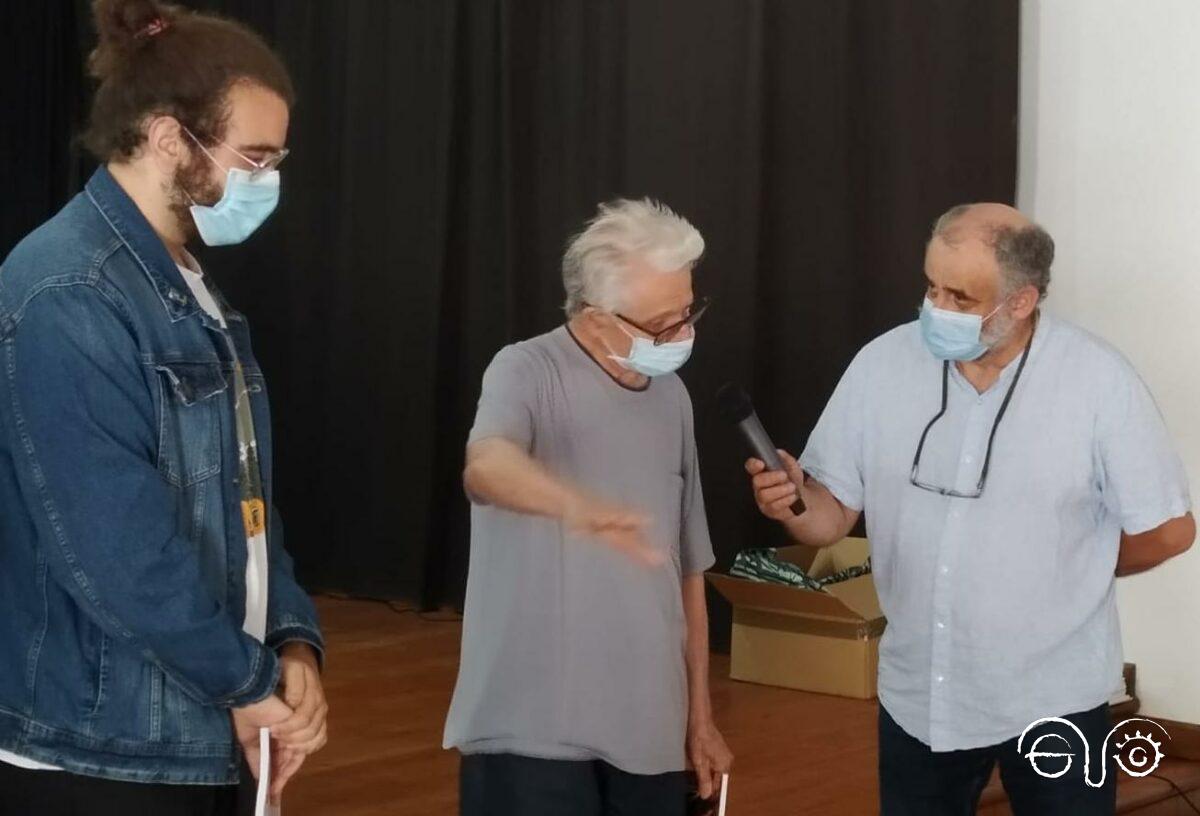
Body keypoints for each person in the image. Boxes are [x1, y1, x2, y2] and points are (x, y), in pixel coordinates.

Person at [746, 203, 1194, 815]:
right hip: (920, 690)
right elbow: (831, 517)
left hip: (1052, 696)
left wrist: (1080, 566)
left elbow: (1169, 530)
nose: (938, 308)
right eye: (931, 286)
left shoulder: (1097, 382)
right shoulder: (882, 364)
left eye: (961, 296)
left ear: (1021, 300)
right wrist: (793, 504)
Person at [0, 1, 328, 813]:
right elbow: (114, 549)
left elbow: (248, 498)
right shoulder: (67, 290)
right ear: (168, 136)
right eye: (254, 158)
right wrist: (247, 679)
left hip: (206, 720)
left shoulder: (190, 285)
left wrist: (292, 642)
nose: (268, 182)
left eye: (277, 159)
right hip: (102, 749)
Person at [443, 198, 734, 815]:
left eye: (688, 313)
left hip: (648, 729)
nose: (682, 336)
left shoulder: (673, 397)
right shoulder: (524, 370)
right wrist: (575, 505)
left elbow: (686, 574)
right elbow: (486, 465)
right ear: (597, 319)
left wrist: (698, 719)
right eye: (663, 325)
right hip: (532, 728)